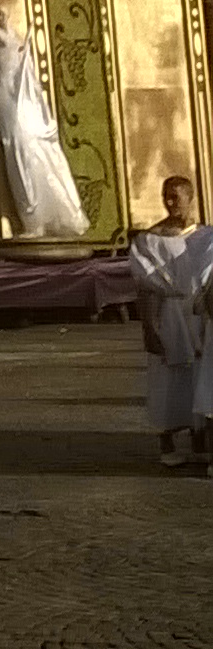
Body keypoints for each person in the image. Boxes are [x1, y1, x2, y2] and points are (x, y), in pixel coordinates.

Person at [0, 9, 89, 238]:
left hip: (21, 120)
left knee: (27, 159)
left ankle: (35, 219)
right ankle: (32, 219)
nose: (1, 18)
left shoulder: (11, 50)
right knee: (19, 158)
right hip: (11, 120)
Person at [130, 177, 208, 467]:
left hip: (199, 314)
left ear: (191, 197)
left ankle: (200, 437)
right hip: (169, 314)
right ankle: (168, 440)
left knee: (201, 375)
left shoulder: (204, 236)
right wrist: (149, 326)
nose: (171, 202)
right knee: (169, 377)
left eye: (176, 196)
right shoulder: (151, 240)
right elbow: (146, 286)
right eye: (166, 197)